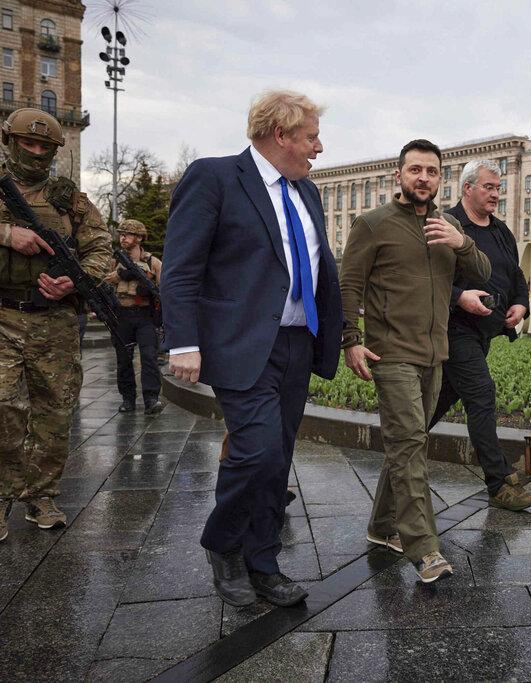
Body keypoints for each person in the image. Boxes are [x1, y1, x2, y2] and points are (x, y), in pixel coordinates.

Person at [161, 91, 343, 607]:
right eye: (311, 137)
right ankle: (222, 544)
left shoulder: (307, 192)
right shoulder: (215, 177)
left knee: (277, 460)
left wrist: (341, 333)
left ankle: (263, 563)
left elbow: (319, 268)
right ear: (280, 135)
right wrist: (184, 341)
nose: (319, 148)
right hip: (243, 344)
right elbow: (181, 268)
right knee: (257, 451)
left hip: (297, 343)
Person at [341, 139, 491, 583]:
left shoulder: (449, 226)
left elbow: (483, 273)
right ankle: (424, 549)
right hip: (391, 353)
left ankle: (382, 526)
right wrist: (350, 339)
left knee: (407, 443)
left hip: (435, 354)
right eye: (415, 170)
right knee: (409, 444)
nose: (423, 178)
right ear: (399, 175)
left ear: (440, 179)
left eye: (431, 171)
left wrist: (462, 242)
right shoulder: (372, 224)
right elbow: (348, 285)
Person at [0, 108, 111, 541]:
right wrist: (7, 235)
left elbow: (100, 249)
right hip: (3, 315)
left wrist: (76, 280)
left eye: (44, 146)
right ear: (10, 142)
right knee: (4, 407)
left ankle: (41, 496)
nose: (35, 151)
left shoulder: (70, 201)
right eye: (27, 143)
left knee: (55, 412)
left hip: (55, 323)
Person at [426, 159, 531, 511]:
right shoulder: (446, 224)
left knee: (438, 399)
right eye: (488, 187)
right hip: (455, 329)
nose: (495, 194)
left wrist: (520, 304)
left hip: (484, 334)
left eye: (497, 188)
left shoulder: (501, 231)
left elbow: (516, 276)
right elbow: (428, 279)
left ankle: (402, 443)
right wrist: (460, 296)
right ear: (467, 188)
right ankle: (499, 482)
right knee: (481, 395)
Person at [103, 218, 164, 415]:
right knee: (123, 359)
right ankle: (128, 398)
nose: (123, 237)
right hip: (121, 315)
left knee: (149, 357)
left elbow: (163, 291)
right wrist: (118, 276)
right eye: (121, 234)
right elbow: (102, 284)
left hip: (145, 316)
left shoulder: (153, 263)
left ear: (139, 237)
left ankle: (151, 398)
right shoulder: (113, 262)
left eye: (127, 234)